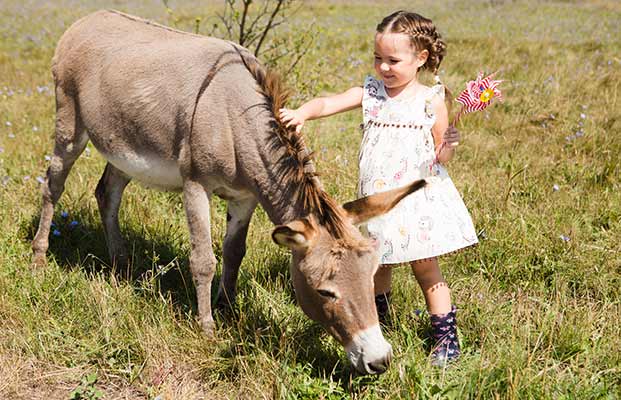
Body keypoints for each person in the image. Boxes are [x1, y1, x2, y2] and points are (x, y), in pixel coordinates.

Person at [279, 10, 478, 367]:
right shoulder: (371, 93)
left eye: (393, 60)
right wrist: (303, 112)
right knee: (377, 264)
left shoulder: (430, 100)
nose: (384, 68)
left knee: (425, 267)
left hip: (415, 201)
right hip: (377, 202)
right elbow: (329, 102)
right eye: (378, 58)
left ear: (421, 58)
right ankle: (380, 321)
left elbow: (440, 156)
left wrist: (450, 142)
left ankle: (445, 338)